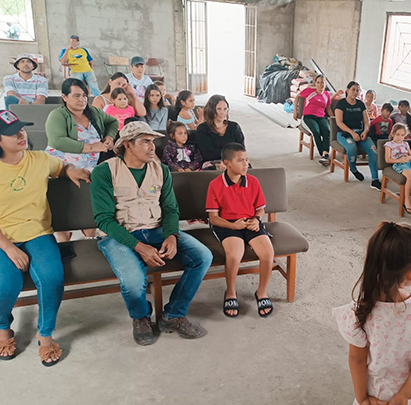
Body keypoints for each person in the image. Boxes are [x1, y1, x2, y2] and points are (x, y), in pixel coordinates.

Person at [0, 109, 90, 366]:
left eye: (22, 128)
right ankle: (5, 327)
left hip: (37, 233)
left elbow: (62, 167)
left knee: (52, 278)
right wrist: (9, 248)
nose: (21, 134)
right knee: (5, 286)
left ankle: (45, 334)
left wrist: (71, 170)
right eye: (12, 132)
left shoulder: (40, 159)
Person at [90, 121, 212, 346]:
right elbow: (104, 220)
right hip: (117, 235)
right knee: (134, 279)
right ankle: (140, 317)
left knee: (202, 257)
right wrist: (138, 247)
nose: (152, 147)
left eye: (153, 141)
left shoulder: (161, 170)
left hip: (155, 229)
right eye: (145, 141)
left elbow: (170, 209)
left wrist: (171, 236)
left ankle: (173, 315)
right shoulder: (104, 172)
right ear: (127, 144)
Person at [332, 221, 411, 405]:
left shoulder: (357, 311)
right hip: (408, 397)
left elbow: (357, 360)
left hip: (373, 393)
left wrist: (363, 399)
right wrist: (404, 396)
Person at [45, 78, 119, 241]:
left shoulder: (93, 112)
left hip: (89, 165)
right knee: (63, 202)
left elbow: (113, 122)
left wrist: (109, 137)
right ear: (64, 97)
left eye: (84, 95)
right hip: (62, 165)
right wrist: (92, 147)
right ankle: (63, 235)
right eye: (76, 96)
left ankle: (90, 234)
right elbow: (57, 140)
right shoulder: (57, 115)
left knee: (90, 201)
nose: (82, 100)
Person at [206, 143, 274, 318]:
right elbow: (213, 218)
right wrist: (233, 226)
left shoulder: (253, 181)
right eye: (240, 161)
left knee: (267, 253)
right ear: (227, 163)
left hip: (250, 222)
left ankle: (262, 292)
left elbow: (260, 209)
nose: (246, 164)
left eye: (247, 160)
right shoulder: (215, 184)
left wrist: (256, 220)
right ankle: (230, 292)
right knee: (235, 254)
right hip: (226, 224)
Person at [335, 81, 380, 190]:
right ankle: (353, 169)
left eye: (358, 90)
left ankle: (375, 179)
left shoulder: (361, 104)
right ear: (347, 90)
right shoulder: (341, 104)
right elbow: (339, 122)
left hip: (361, 134)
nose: (356, 92)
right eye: (353, 89)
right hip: (345, 134)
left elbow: (366, 120)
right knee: (352, 148)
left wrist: (365, 131)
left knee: (373, 151)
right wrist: (352, 133)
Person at [293, 75, 333, 167]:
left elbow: (329, 109)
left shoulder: (327, 95)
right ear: (315, 83)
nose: (320, 84)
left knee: (327, 130)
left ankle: (325, 155)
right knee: (316, 131)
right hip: (308, 117)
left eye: (322, 82)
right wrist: (295, 111)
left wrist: (334, 119)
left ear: (325, 83)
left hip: (321, 117)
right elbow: (297, 97)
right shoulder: (310, 91)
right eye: (318, 82)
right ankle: (323, 155)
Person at [195, 95, 245, 168]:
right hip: (212, 162)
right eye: (219, 109)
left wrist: (230, 160)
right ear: (211, 110)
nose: (222, 113)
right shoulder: (203, 129)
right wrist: (231, 154)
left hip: (234, 161)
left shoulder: (234, 127)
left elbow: (241, 149)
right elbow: (208, 153)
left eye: (225, 109)